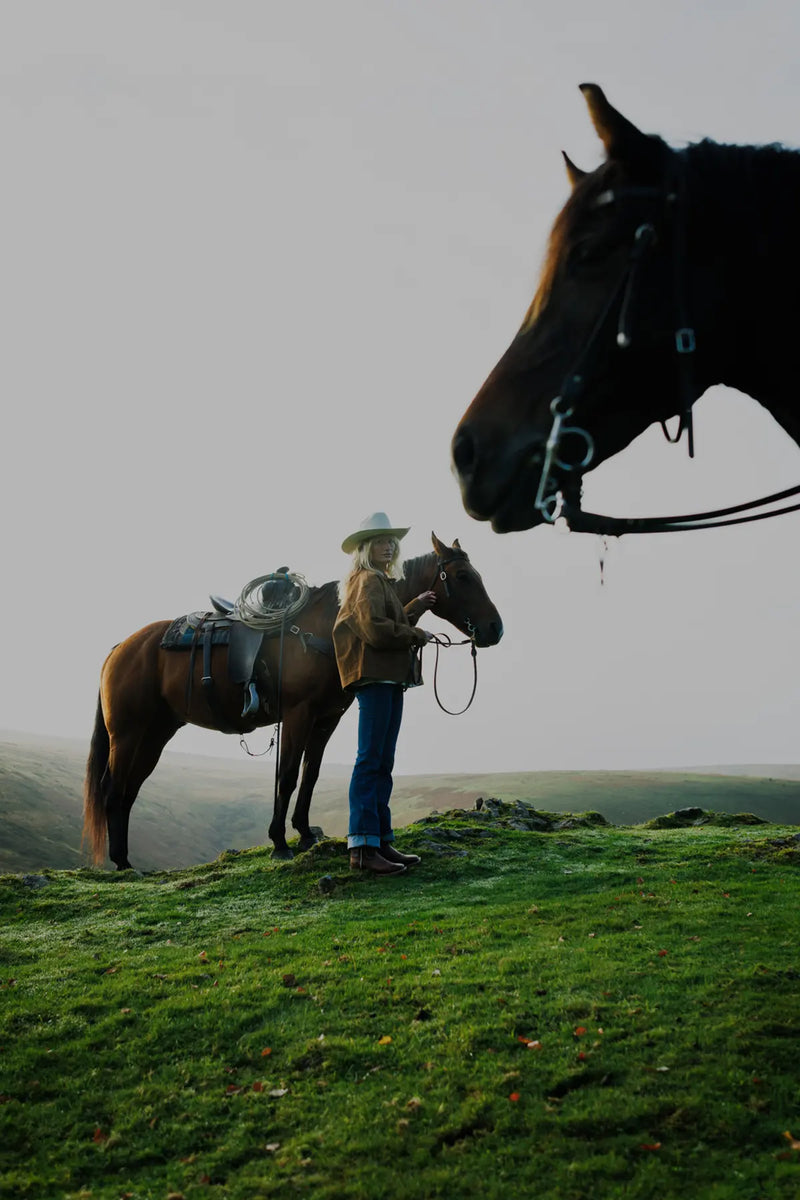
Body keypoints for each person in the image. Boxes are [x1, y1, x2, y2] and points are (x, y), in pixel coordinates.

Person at [333, 512, 436, 875]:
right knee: (371, 760)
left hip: (388, 677)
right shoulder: (367, 581)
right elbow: (375, 630)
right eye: (380, 540)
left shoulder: (380, 582)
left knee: (382, 760)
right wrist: (416, 635)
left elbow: (384, 622)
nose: (389, 545)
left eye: (391, 540)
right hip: (375, 676)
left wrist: (415, 608)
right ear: (365, 548)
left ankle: (380, 840)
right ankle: (362, 847)